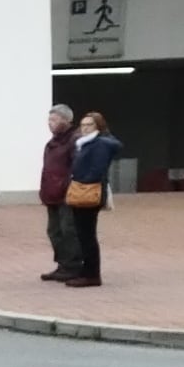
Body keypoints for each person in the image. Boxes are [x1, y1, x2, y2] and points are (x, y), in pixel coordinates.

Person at [59, 110, 119, 288]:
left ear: (98, 126)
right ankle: (86, 270)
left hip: (89, 191)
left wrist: (80, 181)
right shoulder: (84, 143)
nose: (84, 128)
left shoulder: (99, 144)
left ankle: (92, 274)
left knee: (87, 235)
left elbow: (96, 169)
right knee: (82, 233)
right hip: (82, 190)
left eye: (89, 125)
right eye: (83, 125)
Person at [35, 104, 76, 282]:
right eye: (49, 120)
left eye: (54, 120)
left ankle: (73, 266)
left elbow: (76, 167)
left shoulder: (74, 141)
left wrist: (68, 186)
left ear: (66, 121)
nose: (49, 123)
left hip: (67, 194)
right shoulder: (52, 143)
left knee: (68, 230)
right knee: (54, 230)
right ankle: (62, 264)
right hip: (51, 193)